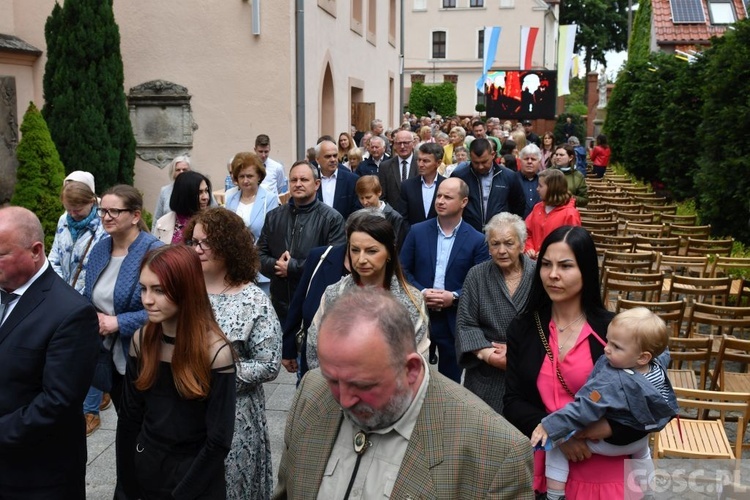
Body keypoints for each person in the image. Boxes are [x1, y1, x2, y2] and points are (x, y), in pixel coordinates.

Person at [274, 288, 535, 499]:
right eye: (331, 379)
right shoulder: (311, 392)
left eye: (363, 385)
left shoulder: (496, 453)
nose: (343, 400)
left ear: (410, 369)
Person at [504, 226, 647, 498]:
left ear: (586, 270)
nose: (553, 275)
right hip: (543, 470)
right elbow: (513, 401)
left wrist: (589, 432)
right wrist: (559, 434)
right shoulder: (524, 327)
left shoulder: (613, 332)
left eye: (566, 266)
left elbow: (645, 408)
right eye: (546, 264)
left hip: (606, 474)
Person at [116, 245, 236, 499]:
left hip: (194, 481)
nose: (147, 299)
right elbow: (128, 420)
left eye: (159, 290)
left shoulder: (215, 352)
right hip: (146, 471)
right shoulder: (142, 340)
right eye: (144, 288)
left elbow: (218, 441)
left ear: (186, 289)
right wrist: (128, 485)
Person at [0, 206, 99, 499]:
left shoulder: (71, 313)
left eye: (0, 254)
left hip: (35, 475)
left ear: (36, 251)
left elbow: (57, 402)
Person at [530, 308, 678, 499]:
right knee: (643, 454)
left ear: (643, 357)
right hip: (639, 439)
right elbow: (664, 352)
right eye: (608, 341)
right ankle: (648, 492)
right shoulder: (657, 363)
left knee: (557, 443)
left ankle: (554, 494)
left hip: (610, 445)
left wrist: (549, 425)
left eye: (616, 347)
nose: (606, 348)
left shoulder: (612, 380)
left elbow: (584, 409)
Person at [185, 208, 282, 500]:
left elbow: (269, 364)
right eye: (194, 241)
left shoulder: (253, 300)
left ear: (228, 247)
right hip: (185, 411)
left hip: (234, 416)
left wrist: (216, 376)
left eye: (205, 243)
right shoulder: (185, 290)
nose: (197, 249)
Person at [306, 210, 429, 369]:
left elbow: (417, 363)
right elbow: (314, 347)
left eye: (371, 251)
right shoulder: (334, 293)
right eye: (355, 250)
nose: (361, 259)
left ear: (389, 253)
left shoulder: (411, 300)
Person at [84, 185, 164, 430]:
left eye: (115, 211)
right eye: (103, 211)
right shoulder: (99, 248)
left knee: (147, 426)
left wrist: (119, 322)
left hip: (147, 355)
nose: (107, 217)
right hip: (108, 356)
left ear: (136, 216)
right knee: (127, 425)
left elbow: (169, 306)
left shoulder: (154, 251)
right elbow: (90, 295)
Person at [400, 178, 490, 381]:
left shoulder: (477, 240)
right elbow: (402, 269)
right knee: (412, 376)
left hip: (454, 319)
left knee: (450, 382)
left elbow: (481, 281)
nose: (440, 201)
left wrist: (455, 296)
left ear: (464, 202)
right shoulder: (417, 231)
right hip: (418, 315)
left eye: (447, 197)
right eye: (438, 195)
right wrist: (421, 291)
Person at [455, 212, 535, 414]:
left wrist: (519, 352)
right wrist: (489, 355)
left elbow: (551, 322)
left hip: (528, 369)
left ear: (522, 244)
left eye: (509, 243)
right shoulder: (477, 275)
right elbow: (466, 323)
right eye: (494, 244)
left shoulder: (538, 274)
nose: (501, 250)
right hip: (485, 373)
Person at [258, 160, 346, 328]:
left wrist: (292, 267)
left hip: (315, 308)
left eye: (304, 180)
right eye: (293, 180)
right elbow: (259, 255)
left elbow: (332, 265)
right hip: (279, 307)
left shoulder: (332, 219)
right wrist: (277, 265)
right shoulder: (274, 216)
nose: (298, 184)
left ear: (317, 184)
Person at [224, 152, 279, 294]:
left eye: (249, 176)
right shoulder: (231, 199)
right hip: (235, 267)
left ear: (259, 176)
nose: (245, 180)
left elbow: (273, 234)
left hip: (260, 269)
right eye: (241, 176)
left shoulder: (269, 199)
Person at [450, 138, 525, 232]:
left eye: (484, 162)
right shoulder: (460, 176)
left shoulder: (509, 176)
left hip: (499, 233)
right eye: (476, 163)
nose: (480, 166)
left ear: (493, 155)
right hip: (468, 232)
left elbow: (518, 206)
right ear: (470, 158)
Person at [49, 176, 106, 294]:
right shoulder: (63, 220)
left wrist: (78, 296)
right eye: (68, 209)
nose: (73, 214)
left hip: (85, 297)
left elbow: (100, 271)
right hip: (59, 291)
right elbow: (54, 256)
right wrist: (59, 287)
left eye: (77, 210)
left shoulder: (104, 227)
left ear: (91, 202)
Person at [525, 169, 582, 259]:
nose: (537, 189)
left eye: (540, 186)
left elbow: (573, 244)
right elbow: (527, 232)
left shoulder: (570, 214)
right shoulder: (537, 208)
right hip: (534, 262)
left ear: (552, 189)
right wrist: (529, 247)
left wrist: (549, 254)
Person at [153, 170, 212, 244]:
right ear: (185, 195)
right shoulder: (163, 223)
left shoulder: (213, 223)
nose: (205, 197)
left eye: (206, 191)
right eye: (199, 192)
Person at [356, 175, 409, 249]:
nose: (365, 202)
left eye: (368, 197)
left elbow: (398, 247)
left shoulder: (395, 218)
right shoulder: (358, 217)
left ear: (379, 192)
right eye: (361, 198)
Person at [399, 142, 446, 226]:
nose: (420, 164)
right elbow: (403, 218)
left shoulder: (447, 186)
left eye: (425, 161)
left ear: (438, 163)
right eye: (419, 160)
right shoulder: (407, 186)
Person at [316, 139, 361, 219]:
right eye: (328, 156)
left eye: (335, 155)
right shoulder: (312, 180)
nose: (333, 159)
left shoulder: (352, 180)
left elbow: (357, 212)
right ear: (317, 159)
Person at [379, 129, 418, 212]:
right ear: (394, 145)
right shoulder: (385, 166)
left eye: (406, 143)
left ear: (413, 144)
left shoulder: (421, 164)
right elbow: (382, 196)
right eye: (399, 143)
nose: (402, 146)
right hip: (393, 217)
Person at [153, 155, 191, 227]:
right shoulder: (165, 191)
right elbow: (157, 218)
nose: (181, 172)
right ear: (173, 172)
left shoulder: (199, 189)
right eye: (178, 170)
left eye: (184, 170)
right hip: (168, 234)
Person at [255, 134, 288, 200]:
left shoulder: (277, 167)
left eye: (266, 152)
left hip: (272, 204)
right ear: (255, 150)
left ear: (270, 149)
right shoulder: (249, 166)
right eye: (260, 151)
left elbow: (280, 187)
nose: (263, 155)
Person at [518, 144, 543, 218]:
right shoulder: (512, 179)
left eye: (533, 159)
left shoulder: (544, 181)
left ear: (539, 162)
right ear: (520, 161)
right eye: (526, 159)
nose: (529, 162)